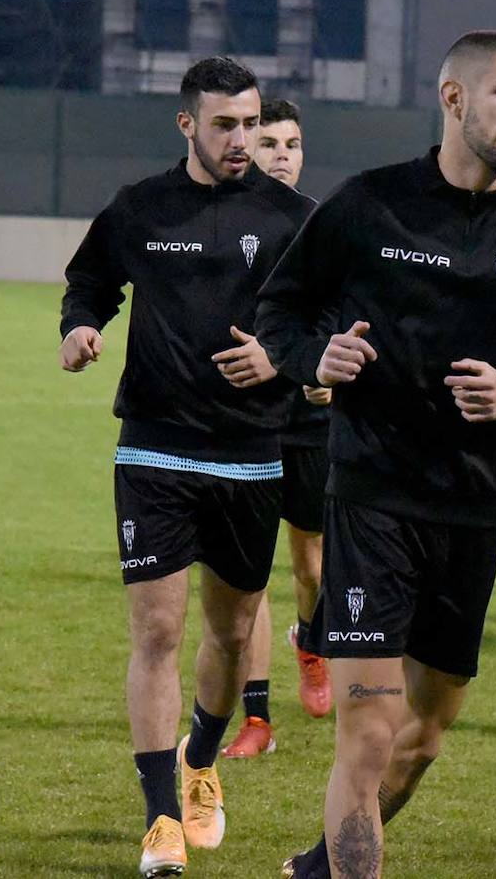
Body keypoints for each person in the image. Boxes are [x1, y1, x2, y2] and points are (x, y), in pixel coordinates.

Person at [257, 30, 496, 879]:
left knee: (423, 737)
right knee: (368, 733)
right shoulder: (369, 205)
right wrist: (315, 361)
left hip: (473, 512)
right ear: (454, 99)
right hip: (372, 499)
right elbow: (282, 313)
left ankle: (316, 868)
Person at [58, 56, 314, 877]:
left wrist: (279, 360)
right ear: (188, 124)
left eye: (251, 125)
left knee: (233, 631)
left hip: (248, 454)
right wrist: (81, 325)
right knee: (158, 630)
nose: (243, 140)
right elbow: (90, 279)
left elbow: (327, 323)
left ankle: (200, 760)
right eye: (226, 125)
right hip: (155, 446)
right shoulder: (141, 206)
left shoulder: (291, 219)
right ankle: (161, 819)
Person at [223, 98, 334, 761]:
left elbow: (343, 308)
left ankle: (311, 644)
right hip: (248, 422)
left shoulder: (322, 225)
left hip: (311, 420)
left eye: (292, 143)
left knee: (312, 566)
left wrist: (326, 368)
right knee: (251, 577)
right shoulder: (224, 223)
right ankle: (257, 717)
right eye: (270, 143)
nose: (283, 154)